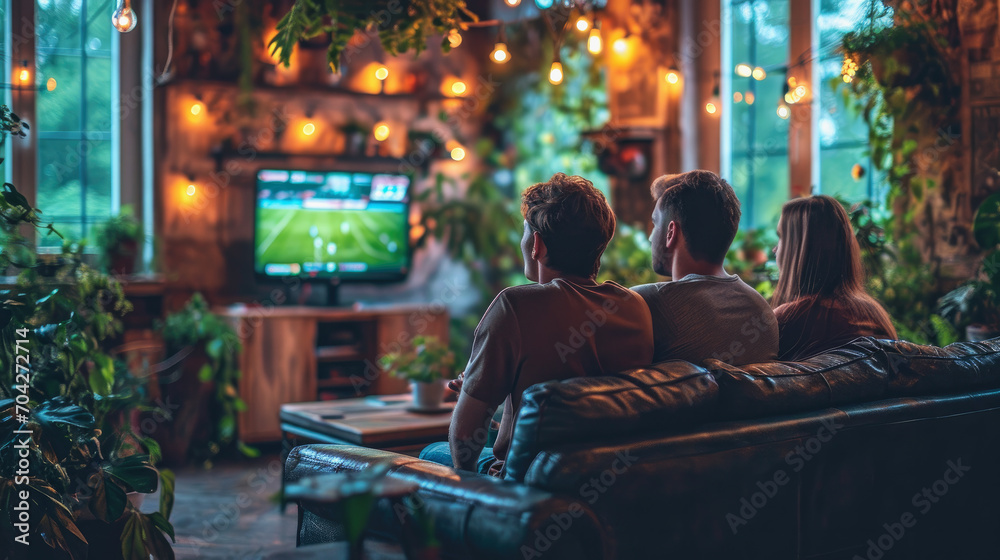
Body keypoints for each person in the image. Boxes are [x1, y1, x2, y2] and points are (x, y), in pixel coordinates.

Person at [420, 173, 654, 476]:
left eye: (524, 232)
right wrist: (494, 383)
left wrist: (468, 486)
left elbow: (464, 441)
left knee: (430, 451)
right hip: (605, 478)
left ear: (537, 245)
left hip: (523, 485)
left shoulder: (516, 308)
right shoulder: (634, 307)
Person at [632, 171, 778, 366]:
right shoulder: (762, 312)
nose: (651, 237)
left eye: (655, 223)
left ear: (671, 232)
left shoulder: (645, 304)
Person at [771, 194, 897, 361]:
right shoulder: (875, 315)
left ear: (799, 249)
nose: (775, 249)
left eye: (781, 238)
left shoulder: (787, 320)